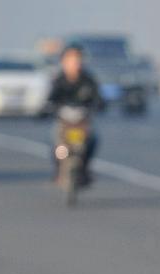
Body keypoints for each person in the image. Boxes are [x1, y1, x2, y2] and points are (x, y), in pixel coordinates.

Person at [46, 43, 102, 182]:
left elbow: (98, 98)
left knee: (93, 140)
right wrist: (47, 108)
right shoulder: (58, 80)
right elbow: (50, 99)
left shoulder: (88, 80)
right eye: (70, 59)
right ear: (64, 61)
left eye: (77, 59)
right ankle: (59, 171)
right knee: (58, 147)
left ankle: (85, 168)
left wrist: (99, 105)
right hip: (64, 122)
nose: (74, 63)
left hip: (82, 121)